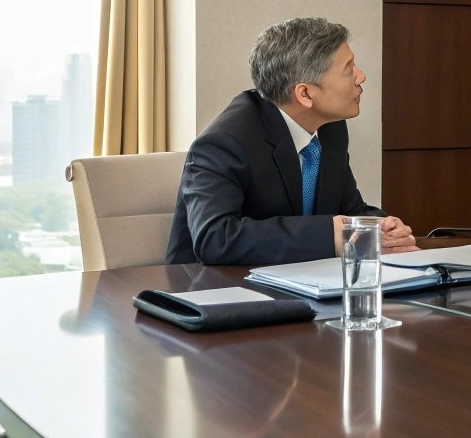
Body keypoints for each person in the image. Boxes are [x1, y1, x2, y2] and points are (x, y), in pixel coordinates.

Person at [166, 17, 416, 265]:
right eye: (349, 69)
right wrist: (330, 236)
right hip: (214, 291)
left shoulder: (330, 128)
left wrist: (381, 227)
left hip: (301, 282)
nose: (361, 76)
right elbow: (215, 239)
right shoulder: (224, 143)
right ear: (305, 93)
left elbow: (350, 210)